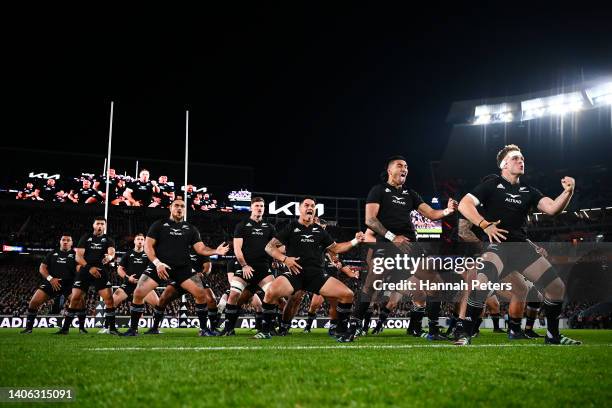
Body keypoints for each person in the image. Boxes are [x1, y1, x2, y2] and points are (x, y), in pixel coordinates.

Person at [456, 144, 581, 346]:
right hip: (499, 248)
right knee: (480, 284)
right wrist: (484, 224)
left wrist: (568, 192)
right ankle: (465, 334)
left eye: (522, 158)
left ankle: (553, 336)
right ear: (504, 164)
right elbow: (464, 204)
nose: (521, 160)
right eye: (515, 158)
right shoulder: (491, 185)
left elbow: (552, 209)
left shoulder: (529, 191)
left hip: (522, 249)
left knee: (556, 288)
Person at [254, 197, 365, 342]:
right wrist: (285, 259)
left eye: (313, 205)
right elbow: (269, 247)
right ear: (300, 209)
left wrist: (355, 241)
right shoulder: (291, 227)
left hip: (316, 275)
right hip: (295, 273)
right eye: (306, 205)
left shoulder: (319, 231)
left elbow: (336, 248)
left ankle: (342, 331)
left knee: (348, 294)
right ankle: (266, 330)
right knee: (270, 292)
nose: (310, 208)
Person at [121, 198, 229, 336]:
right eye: (176, 206)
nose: (179, 208)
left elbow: (201, 248)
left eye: (182, 206)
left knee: (201, 294)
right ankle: (133, 329)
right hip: (160, 265)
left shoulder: (191, 229)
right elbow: (148, 246)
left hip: (182, 267)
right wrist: (157, 263)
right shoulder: (159, 225)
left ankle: (204, 330)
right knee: (138, 293)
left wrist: (216, 251)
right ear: (170, 208)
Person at [56, 217, 116, 334]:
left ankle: (112, 329)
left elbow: (111, 252)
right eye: (98, 223)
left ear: (105, 226)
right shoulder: (86, 237)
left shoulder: (109, 239)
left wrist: (109, 257)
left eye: (102, 224)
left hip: (100, 271)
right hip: (85, 270)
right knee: (75, 298)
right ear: (93, 225)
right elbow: (78, 257)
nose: (100, 226)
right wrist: (89, 268)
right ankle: (65, 329)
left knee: (109, 299)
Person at [21, 235, 77, 333]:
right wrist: (50, 279)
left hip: (68, 284)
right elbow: (42, 268)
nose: (65, 242)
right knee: (33, 302)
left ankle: (65, 329)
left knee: (77, 301)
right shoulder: (52, 253)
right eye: (63, 240)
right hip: (51, 282)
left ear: (72, 243)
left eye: (68, 240)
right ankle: (28, 329)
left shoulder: (76, 255)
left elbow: (80, 268)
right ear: (60, 241)